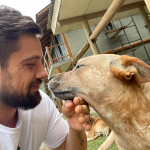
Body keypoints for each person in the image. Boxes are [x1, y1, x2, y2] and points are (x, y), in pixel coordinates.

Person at [0, 5, 91, 150]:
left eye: (41, 62)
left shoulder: (40, 104)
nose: (43, 73)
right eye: (30, 64)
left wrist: (75, 128)